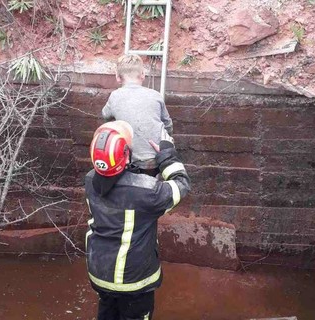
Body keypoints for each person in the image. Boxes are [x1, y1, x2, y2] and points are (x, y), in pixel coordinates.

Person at [84, 121, 191, 320]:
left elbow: (122, 187)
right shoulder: (147, 193)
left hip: (100, 274)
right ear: (125, 156)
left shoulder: (90, 180)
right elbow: (181, 185)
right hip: (134, 282)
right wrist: (167, 155)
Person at [102, 54, 174, 176]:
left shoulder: (114, 96)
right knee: (154, 186)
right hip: (156, 158)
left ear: (118, 78)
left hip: (129, 160)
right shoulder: (156, 95)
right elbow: (168, 125)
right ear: (142, 75)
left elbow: (106, 116)